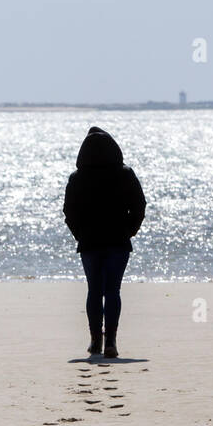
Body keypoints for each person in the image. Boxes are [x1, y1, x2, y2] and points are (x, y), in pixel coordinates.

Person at [63, 126, 146, 358]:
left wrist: (79, 233)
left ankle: (95, 341)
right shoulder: (125, 173)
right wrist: (130, 231)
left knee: (94, 290)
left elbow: (69, 211)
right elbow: (139, 206)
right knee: (113, 290)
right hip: (118, 241)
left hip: (89, 242)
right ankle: (111, 341)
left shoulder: (77, 178)